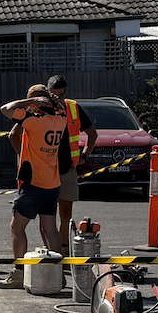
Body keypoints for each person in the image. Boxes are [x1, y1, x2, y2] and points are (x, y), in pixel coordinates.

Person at [0, 83, 67, 288]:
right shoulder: (60, 119)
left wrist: (30, 102)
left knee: (16, 227)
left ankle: (19, 273)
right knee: (50, 229)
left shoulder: (34, 122)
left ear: (36, 104)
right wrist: (50, 101)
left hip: (34, 183)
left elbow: (5, 109)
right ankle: (57, 274)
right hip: (52, 183)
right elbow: (15, 132)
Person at [47, 73, 98, 254]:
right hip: (45, 170)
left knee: (65, 214)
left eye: (60, 95)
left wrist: (85, 156)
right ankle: (49, 253)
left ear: (66, 92)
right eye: (53, 95)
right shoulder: (41, 108)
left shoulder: (73, 108)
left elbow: (92, 134)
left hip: (67, 169)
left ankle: (63, 252)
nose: (56, 99)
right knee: (46, 216)